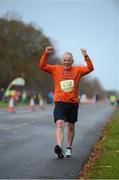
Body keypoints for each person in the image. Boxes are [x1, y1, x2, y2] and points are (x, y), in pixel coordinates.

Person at [39, 46, 94, 159]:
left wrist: (85, 55)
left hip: (72, 103)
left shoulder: (78, 70)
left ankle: (69, 148)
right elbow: (42, 66)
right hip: (60, 102)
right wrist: (46, 54)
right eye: (64, 60)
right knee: (60, 124)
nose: (66, 62)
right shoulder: (56, 69)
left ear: (72, 61)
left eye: (69, 60)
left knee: (71, 127)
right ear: (62, 61)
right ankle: (59, 146)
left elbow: (90, 68)